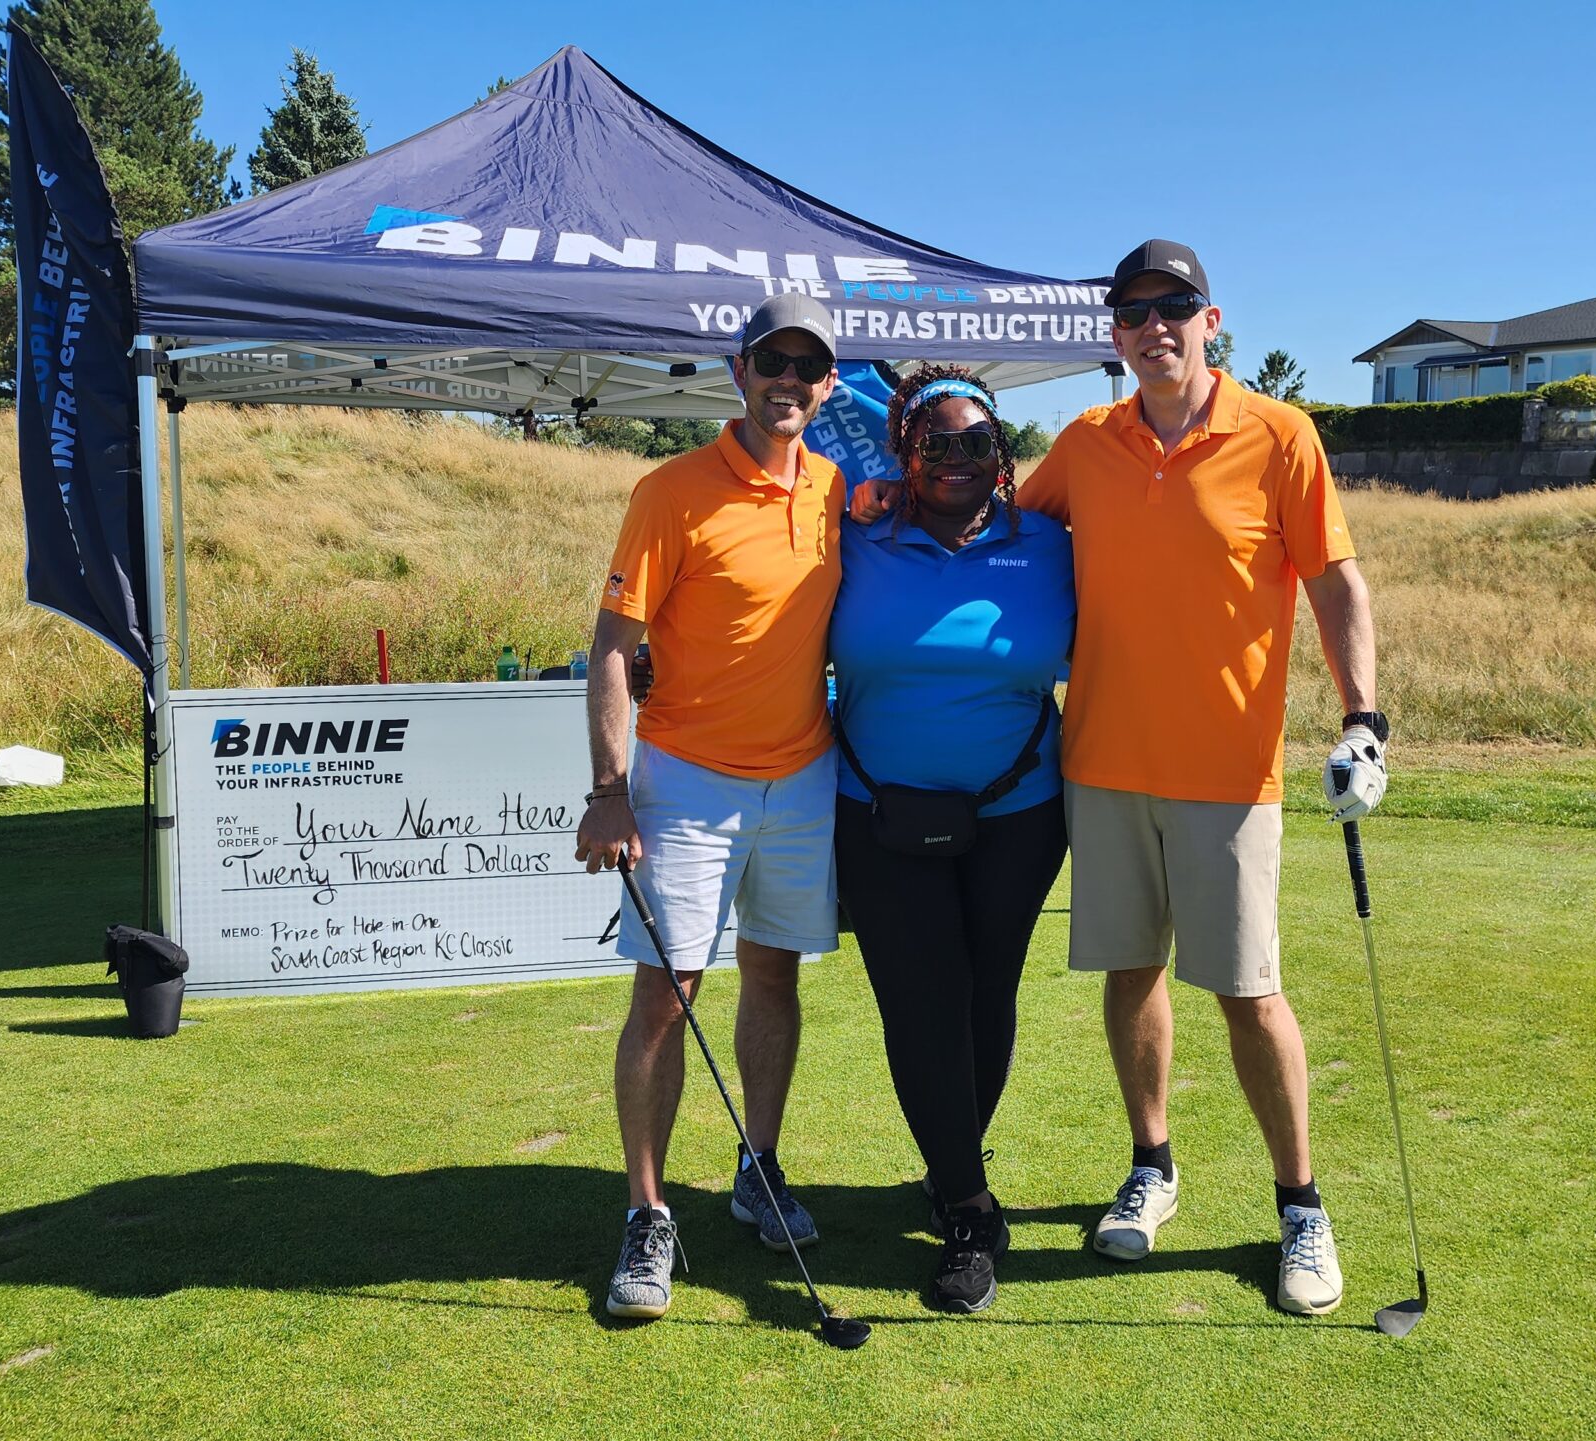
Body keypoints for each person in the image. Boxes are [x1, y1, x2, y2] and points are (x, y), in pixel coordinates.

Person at [861, 241, 1388, 1314]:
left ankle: (1300, 1205)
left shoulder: (1280, 435)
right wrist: (882, 493)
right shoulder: (1087, 443)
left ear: (1210, 320)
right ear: (1115, 333)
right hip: (1098, 766)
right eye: (1135, 311)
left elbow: (1334, 579)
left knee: (1248, 991)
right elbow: (991, 507)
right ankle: (1151, 1165)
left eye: (1174, 306)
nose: (1156, 326)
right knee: (1131, 972)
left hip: (1226, 771)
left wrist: (1363, 719)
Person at [573, 293, 847, 1323]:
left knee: (774, 974)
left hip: (803, 777)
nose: (788, 381)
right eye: (771, 362)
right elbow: (613, 646)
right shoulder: (671, 490)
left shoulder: (836, 490)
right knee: (666, 993)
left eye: (806, 367)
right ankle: (647, 1213)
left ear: (828, 385)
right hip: (686, 780)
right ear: (739, 371)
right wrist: (610, 789)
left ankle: (757, 1168)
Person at [828, 365, 1073, 1314]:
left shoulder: (1049, 545)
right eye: (936, 442)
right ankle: (971, 1210)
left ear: (1000, 451)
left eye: (977, 441)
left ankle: (949, 1165)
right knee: (920, 998)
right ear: (905, 452)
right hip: (876, 810)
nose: (957, 458)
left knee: (986, 990)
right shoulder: (851, 535)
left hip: (1020, 813)